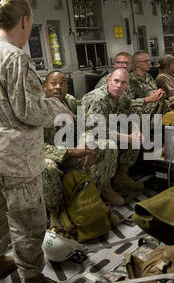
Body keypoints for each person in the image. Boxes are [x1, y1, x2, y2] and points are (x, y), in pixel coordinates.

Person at [0, 0, 74, 283]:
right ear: (24, 21)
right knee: (27, 218)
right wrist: (60, 109)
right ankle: (32, 276)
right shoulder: (16, 57)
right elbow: (29, 109)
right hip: (17, 157)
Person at [42, 71, 124, 228]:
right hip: (52, 156)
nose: (58, 87)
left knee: (106, 145)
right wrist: (69, 152)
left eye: (62, 83)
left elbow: (86, 127)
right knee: (47, 167)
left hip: (74, 152)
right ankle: (55, 213)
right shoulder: (36, 108)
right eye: (53, 83)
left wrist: (86, 145)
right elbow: (36, 146)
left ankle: (97, 197)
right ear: (45, 87)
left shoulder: (71, 102)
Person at [81, 68, 145, 194]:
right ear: (109, 80)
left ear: (127, 85)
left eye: (123, 83)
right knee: (110, 145)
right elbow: (97, 131)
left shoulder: (122, 96)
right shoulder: (99, 99)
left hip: (107, 129)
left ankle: (121, 177)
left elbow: (130, 115)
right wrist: (128, 138)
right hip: (86, 134)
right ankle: (105, 187)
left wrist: (136, 132)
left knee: (135, 138)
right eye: (116, 81)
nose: (119, 85)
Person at [96, 52, 166, 115]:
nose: (124, 66)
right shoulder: (108, 81)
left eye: (127, 63)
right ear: (114, 65)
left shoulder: (131, 80)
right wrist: (146, 100)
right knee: (140, 109)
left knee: (159, 102)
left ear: (132, 65)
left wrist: (157, 94)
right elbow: (118, 104)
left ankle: (154, 128)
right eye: (120, 63)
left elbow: (145, 90)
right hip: (112, 114)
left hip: (127, 112)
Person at [130, 51, 167, 116]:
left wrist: (161, 94)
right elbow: (128, 103)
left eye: (149, 61)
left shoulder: (148, 76)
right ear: (137, 64)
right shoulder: (130, 79)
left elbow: (154, 91)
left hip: (155, 108)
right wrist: (150, 98)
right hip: (141, 112)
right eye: (145, 61)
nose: (149, 63)